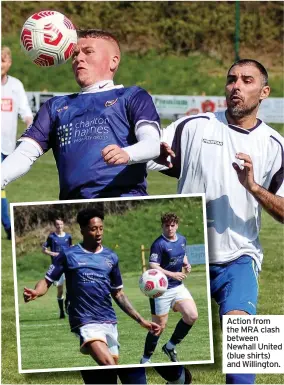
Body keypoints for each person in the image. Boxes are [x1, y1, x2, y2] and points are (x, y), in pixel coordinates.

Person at [148, 59, 284, 384]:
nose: (236, 86)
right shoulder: (194, 127)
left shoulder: (274, 144)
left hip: (238, 258)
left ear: (264, 91)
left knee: (243, 345)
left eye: (247, 80)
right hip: (186, 256)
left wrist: (252, 186)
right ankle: (180, 376)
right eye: (231, 79)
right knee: (151, 337)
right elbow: (145, 153)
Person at [1, 29, 161, 199]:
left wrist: (128, 154)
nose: (79, 58)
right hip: (74, 207)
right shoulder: (55, 106)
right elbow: (24, 153)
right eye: (75, 54)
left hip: (125, 201)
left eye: (88, 52)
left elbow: (152, 144)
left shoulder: (132, 96)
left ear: (113, 61)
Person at [24, 208, 160, 369]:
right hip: (84, 319)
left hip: (108, 318)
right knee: (109, 364)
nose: (98, 233)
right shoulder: (68, 255)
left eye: (101, 228)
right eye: (93, 229)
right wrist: (37, 292)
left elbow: (118, 293)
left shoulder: (111, 257)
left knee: (111, 370)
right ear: (82, 230)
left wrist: (141, 320)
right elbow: (47, 281)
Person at [140, 213, 198, 364]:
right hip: (161, 291)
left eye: (173, 225)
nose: (170, 228)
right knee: (158, 327)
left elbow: (182, 253)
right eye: (167, 226)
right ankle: (145, 360)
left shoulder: (182, 239)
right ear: (163, 226)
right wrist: (172, 274)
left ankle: (170, 347)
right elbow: (153, 265)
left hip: (178, 287)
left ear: (177, 225)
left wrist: (186, 263)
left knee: (192, 316)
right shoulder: (159, 244)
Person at [1, 46, 33, 239]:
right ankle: (8, 225)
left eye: (2, 60)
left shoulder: (16, 85)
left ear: (9, 63)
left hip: (7, 147)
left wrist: (30, 127)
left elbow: (27, 114)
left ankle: (8, 226)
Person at [42, 217, 72, 318]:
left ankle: (68, 303)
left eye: (61, 224)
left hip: (68, 265)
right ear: (55, 226)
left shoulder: (68, 236)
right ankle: (61, 311)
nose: (59, 226)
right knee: (60, 290)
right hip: (57, 267)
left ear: (63, 225)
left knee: (70, 287)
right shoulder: (51, 237)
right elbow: (44, 249)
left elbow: (71, 247)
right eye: (57, 225)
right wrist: (52, 253)